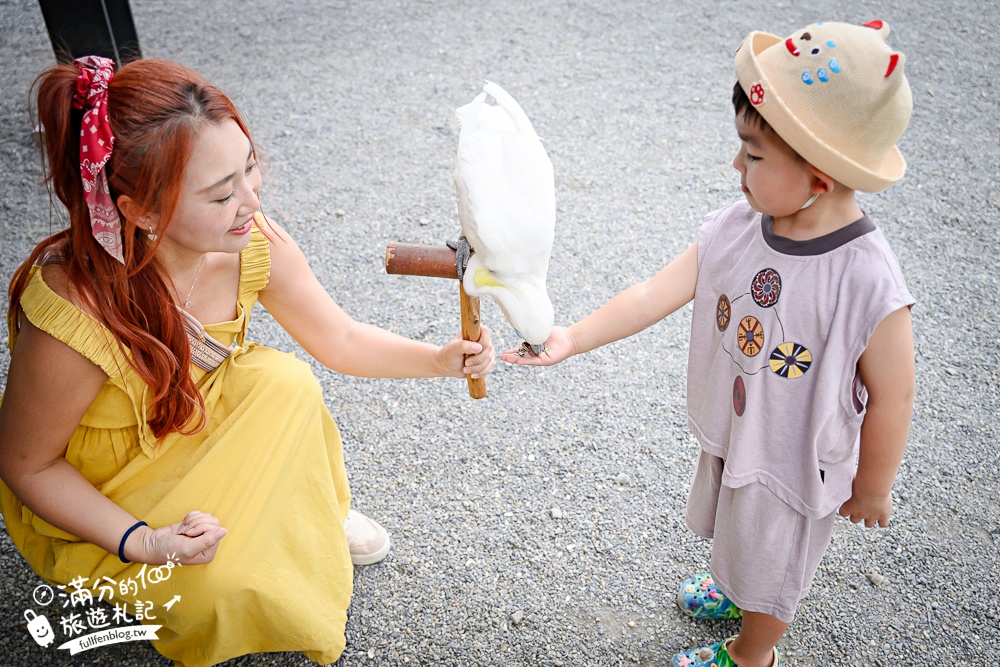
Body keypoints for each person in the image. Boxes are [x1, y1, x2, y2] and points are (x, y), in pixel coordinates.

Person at [0, 56, 494, 667]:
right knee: (221, 594)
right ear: (141, 212)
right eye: (220, 192)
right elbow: (30, 466)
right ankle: (174, 553)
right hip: (111, 486)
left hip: (185, 417)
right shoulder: (76, 314)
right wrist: (144, 542)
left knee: (283, 381)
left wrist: (440, 360)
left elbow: (337, 338)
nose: (250, 200)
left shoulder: (250, 238)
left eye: (249, 167)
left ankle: (313, 512)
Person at [503, 20, 914, 667]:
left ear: (819, 178)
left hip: (794, 460)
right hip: (742, 427)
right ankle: (737, 584)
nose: (735, 166)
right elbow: (652, 292)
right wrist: (571, 337)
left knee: (773, 562)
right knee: (738, 527)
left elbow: (894, 393)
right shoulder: (738, 225)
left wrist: (875, 483)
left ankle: (753, 652)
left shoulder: (865, 280)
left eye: (752, 155)